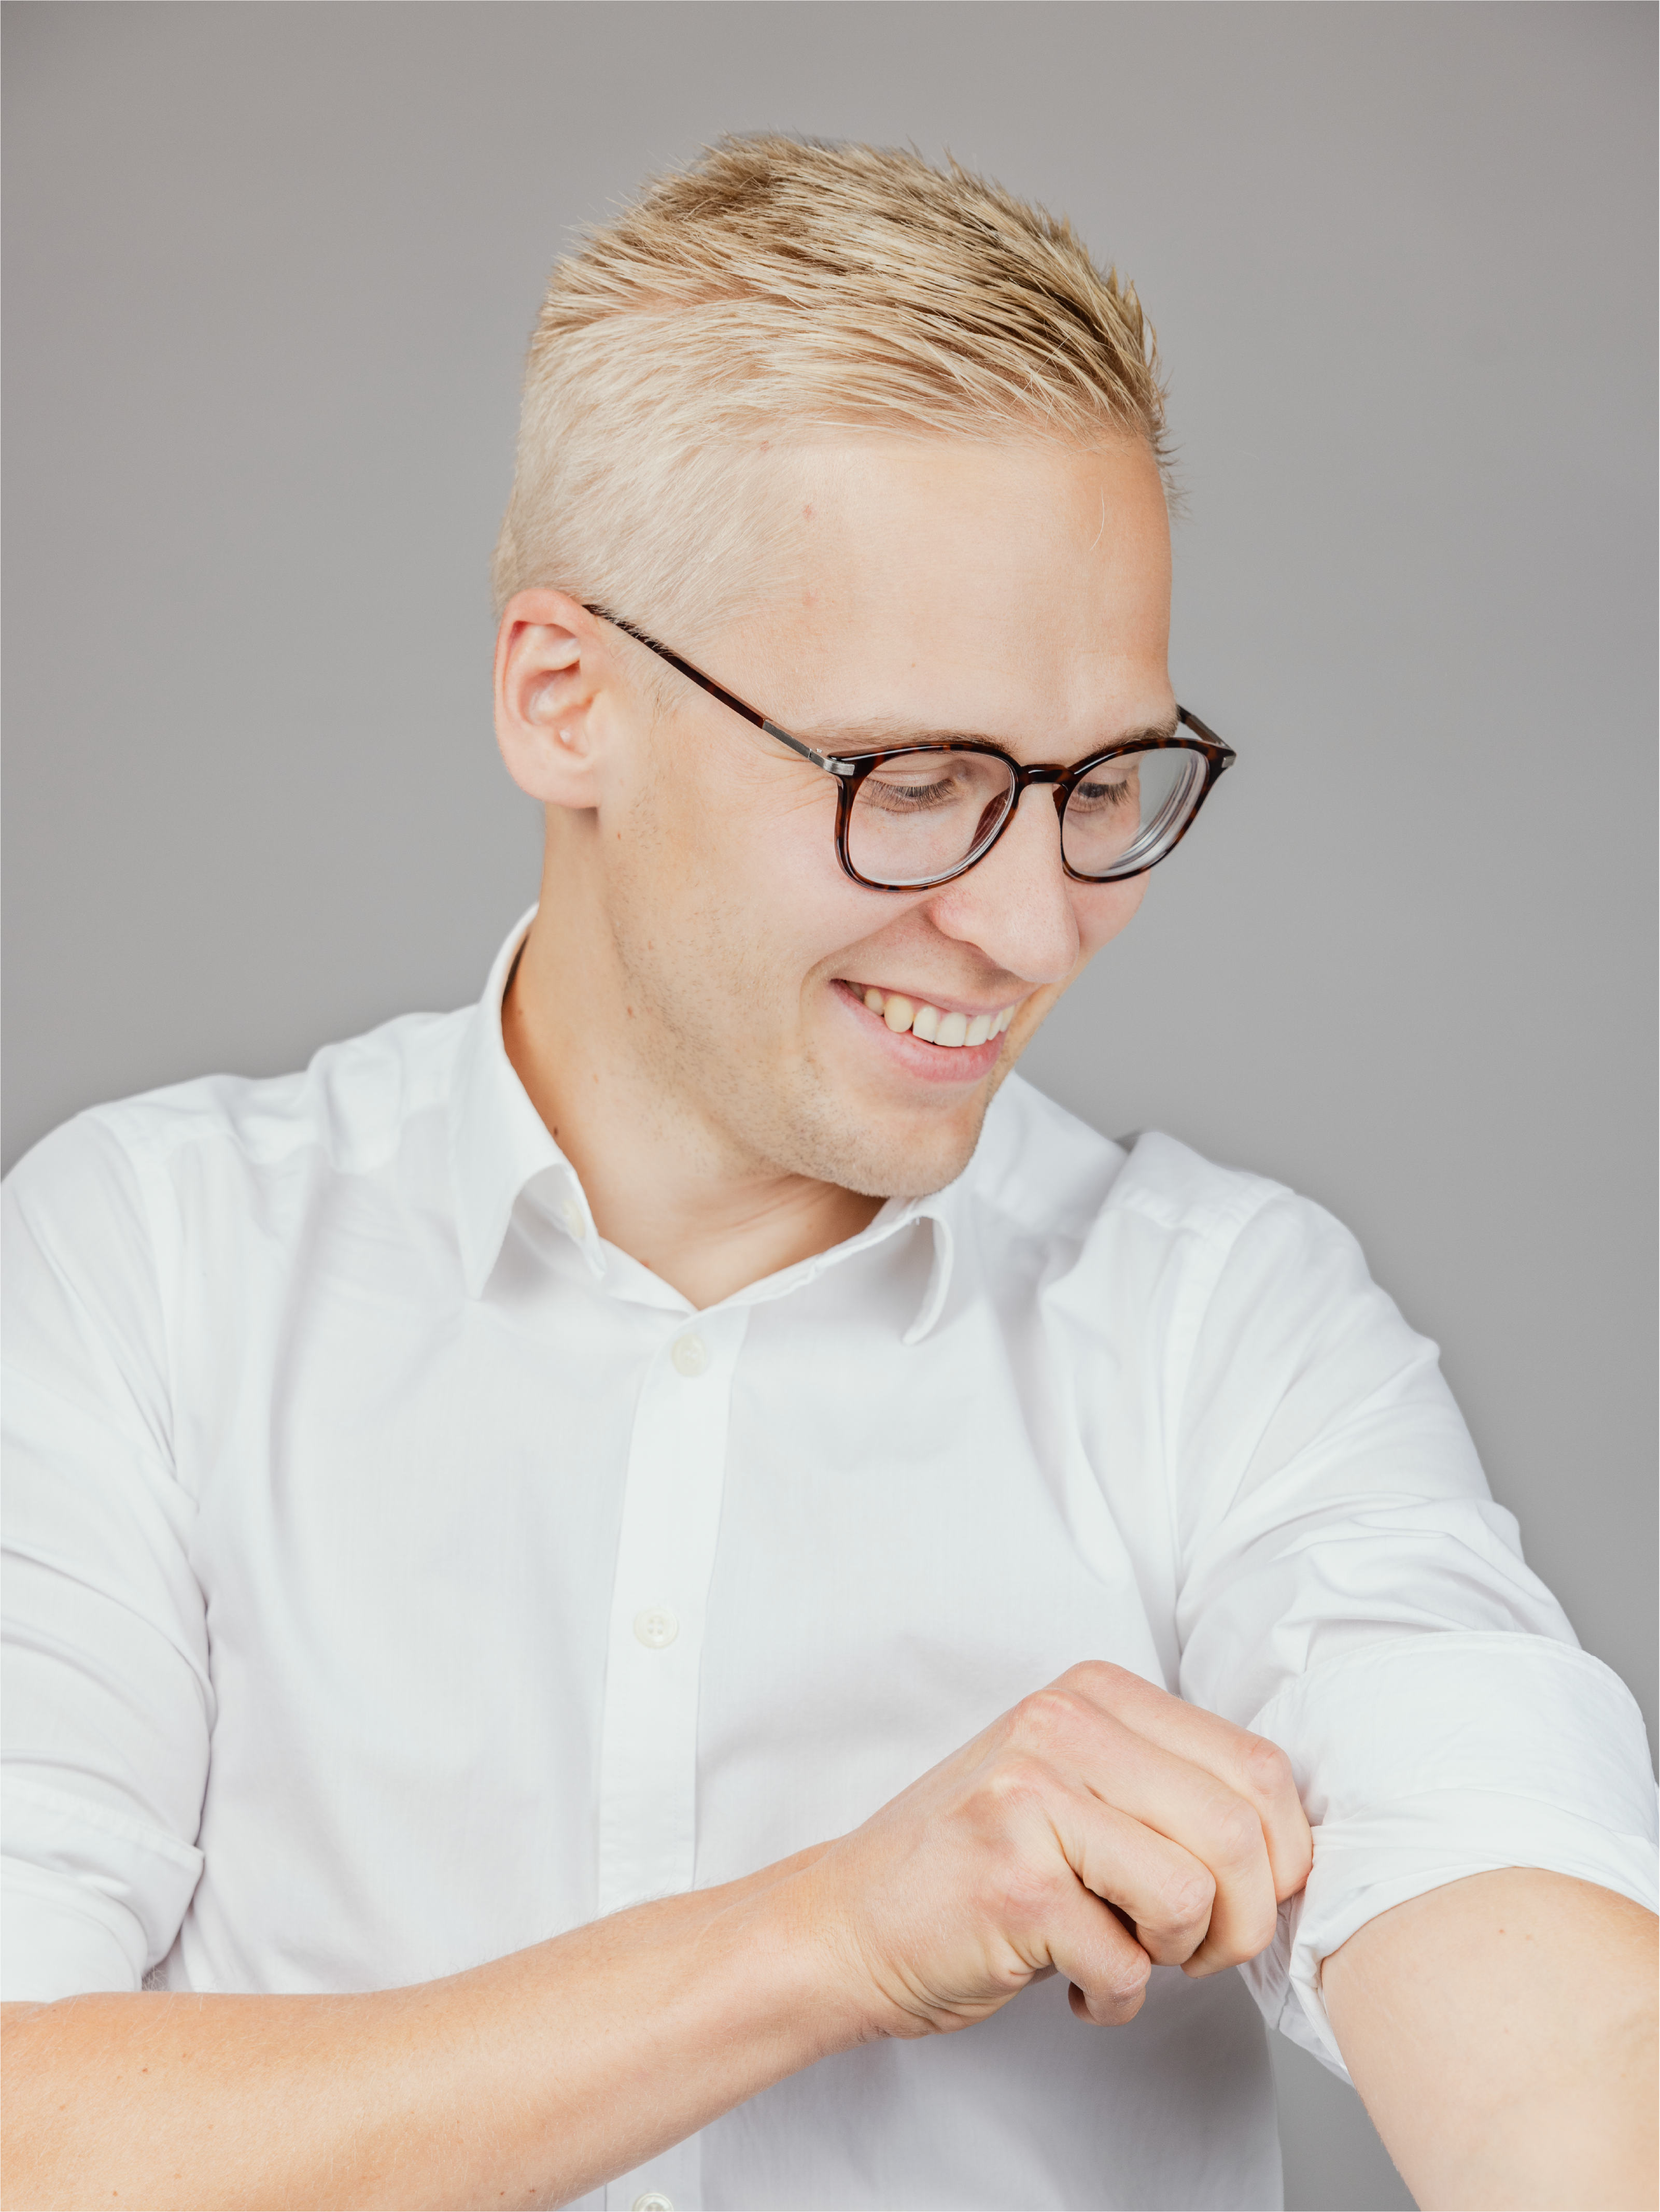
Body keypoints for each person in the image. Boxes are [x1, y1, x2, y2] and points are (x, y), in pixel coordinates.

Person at [0, 135, 1653, 2212]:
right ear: (564, 697)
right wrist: (829, 1934)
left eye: (1101, 783)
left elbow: (1540, 1988)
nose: (1032, 927)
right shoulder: (148, 1265)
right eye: (917, 780)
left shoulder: (1228, 1325)